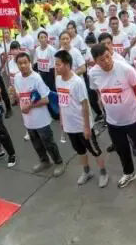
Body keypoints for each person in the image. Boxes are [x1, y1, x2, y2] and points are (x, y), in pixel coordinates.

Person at [89, 43, 136, 189]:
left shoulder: (126, 69)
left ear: (110, 54)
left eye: (108, 57)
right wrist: (102, 100)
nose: (106, 61)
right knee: (122, 150)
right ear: (95, 61)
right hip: (112, 121)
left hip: (132, 118)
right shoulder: (93, 73)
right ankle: (129, 173)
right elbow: (97, 90)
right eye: (102, 59)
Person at [55, 49, 109, 187]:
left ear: (67, 65)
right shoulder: (58, 80)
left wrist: (86, 127)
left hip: (82, 125)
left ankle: (103, 173)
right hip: (69, 125)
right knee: (80, 150)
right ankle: (87, 172)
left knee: (94, 150)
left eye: (58, 64)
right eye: (55, 64)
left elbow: (85, 105)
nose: (56, 67)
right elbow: (61, 101)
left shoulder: (77, 82)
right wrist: (62, 119)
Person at [11, 52, 63, 175]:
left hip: (41, 120)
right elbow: (19, 97)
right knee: (36, 144)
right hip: (28, 120)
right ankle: (44, 161)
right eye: (20, 63)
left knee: (48, 143)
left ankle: (59, 162)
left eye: (25, 62)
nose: (23, 65)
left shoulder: (36, 78)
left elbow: (46, 99)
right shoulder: (17, 78)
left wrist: (29, 106)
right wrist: (13, 95)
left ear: (30, 62)